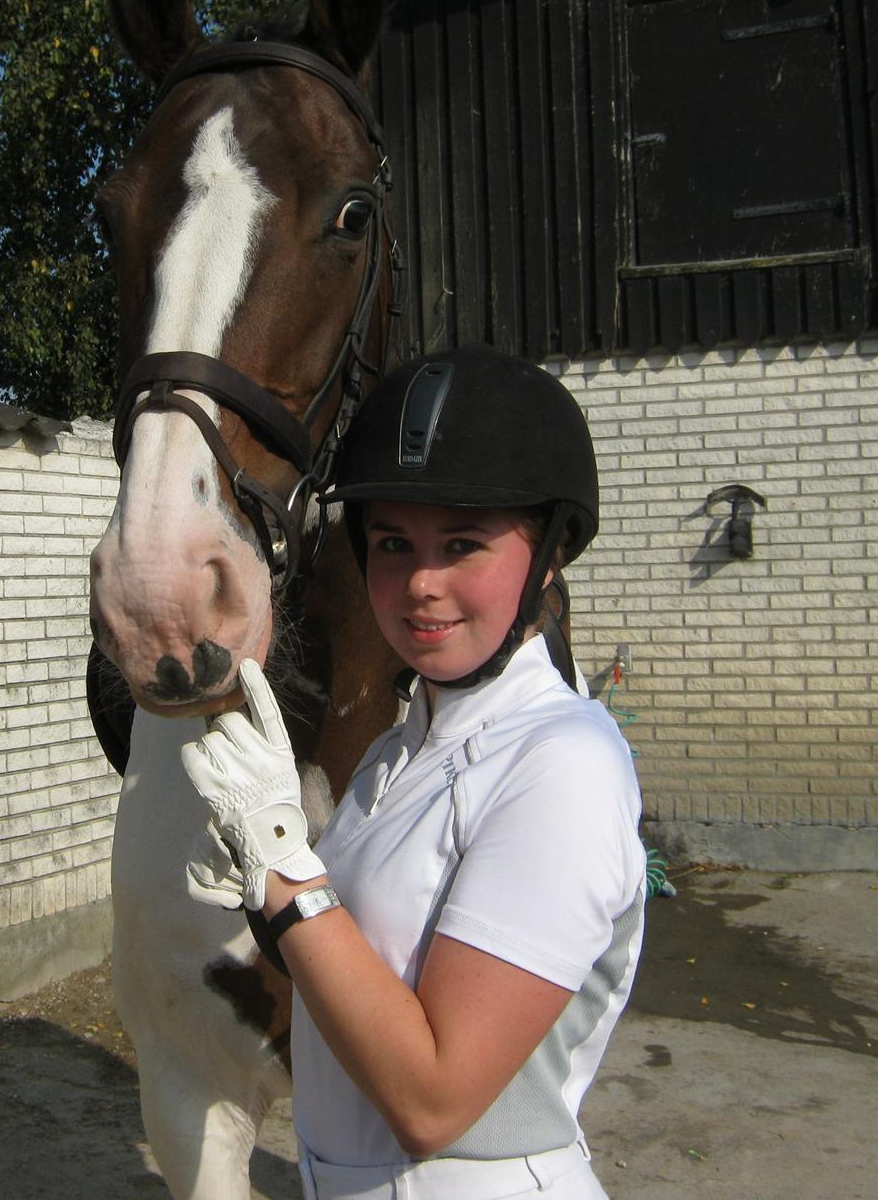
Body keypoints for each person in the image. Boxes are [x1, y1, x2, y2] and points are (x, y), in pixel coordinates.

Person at [181, 345, 645, 1199]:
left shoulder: (564, 766)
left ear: (547, 558)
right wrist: (267, 887)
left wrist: (288, 874)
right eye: (393, 542)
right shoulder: (399, 753)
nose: (421, 582)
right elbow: (363, 979)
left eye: (463, 543)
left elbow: (431, 1098)